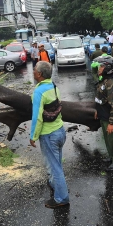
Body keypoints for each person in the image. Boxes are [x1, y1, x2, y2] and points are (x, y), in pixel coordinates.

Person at [30, 61, 69, 208]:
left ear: (39, 74)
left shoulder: (39, 92)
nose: (33, 71)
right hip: (60, 131)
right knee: (56, 163)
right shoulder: (53, 86)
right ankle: (54, 184)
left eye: (34, 70)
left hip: (49, 135)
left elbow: (37, 117)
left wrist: (33, 136)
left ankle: (62, 198)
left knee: (55, 167)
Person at [93, 56, 113, 171]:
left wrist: (112, 122)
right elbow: (100, 97)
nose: (99, 68)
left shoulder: (111, 83)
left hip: (109, 117)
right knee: (107, 138)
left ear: (108, 68)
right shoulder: (104, 80)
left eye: (101, 66)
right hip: (103, 114)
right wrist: (97, 110)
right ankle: (111, 156)